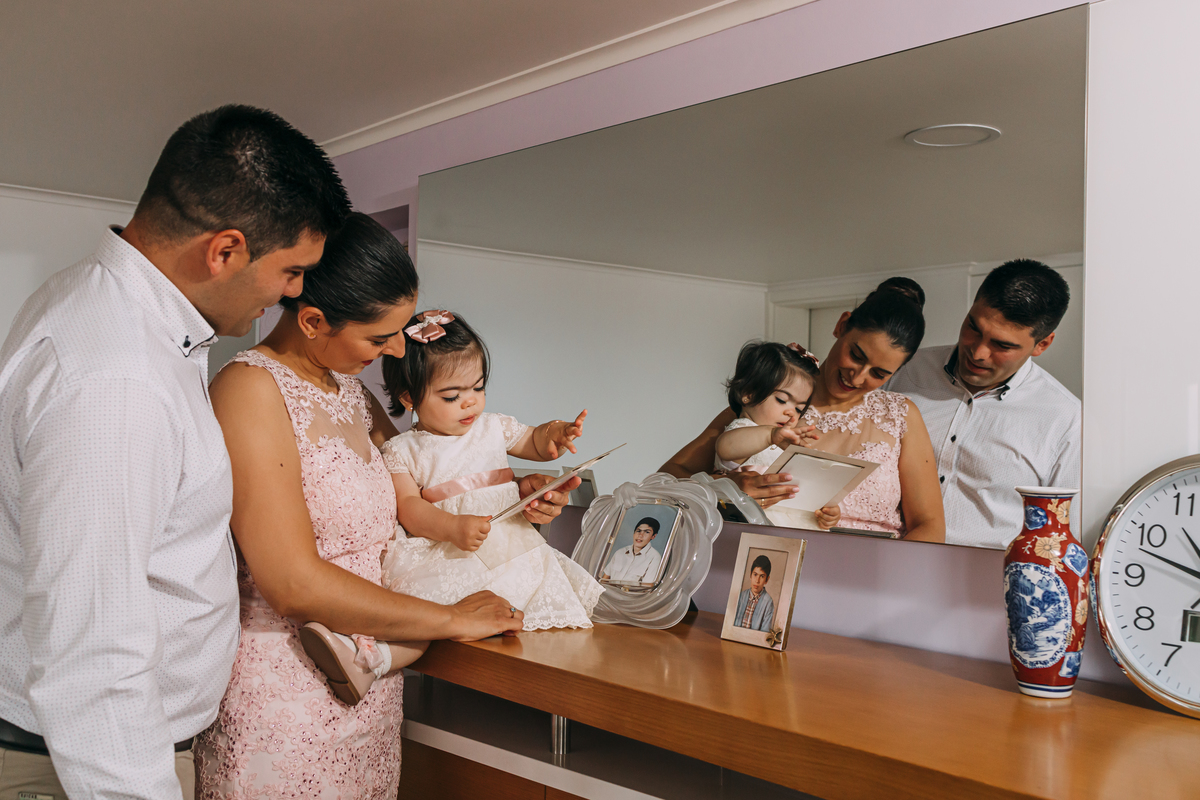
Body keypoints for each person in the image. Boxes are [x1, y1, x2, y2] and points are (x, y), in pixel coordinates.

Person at [0, 105, 347, 799]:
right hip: (89, 765)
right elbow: (92, 655)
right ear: (223, 250)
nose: (297, 292)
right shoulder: (114, 380)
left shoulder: (98, 305)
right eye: (292, 269)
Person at [194, 218, 574, 796]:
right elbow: (291, 582)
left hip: (372, 687)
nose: (398, 351)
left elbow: (415, 493)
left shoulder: (354, 392)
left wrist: (513, 495)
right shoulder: (248, 389)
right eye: (380, 339)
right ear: (314, 321)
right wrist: (452, 618)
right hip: (287, 691)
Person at [295, 309, 602, 706]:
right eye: (451, 396)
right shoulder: (402, 449)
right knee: (426, 616)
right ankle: (371, 659)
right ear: (410, 398)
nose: (469, 404)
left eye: (477, 388)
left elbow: (535, 442)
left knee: (536, 624)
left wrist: (556, 433)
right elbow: (407, 507)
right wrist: (450, 526)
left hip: (511, 549)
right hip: (451, 553)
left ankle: (547, 698)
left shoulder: (492, 427)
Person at [664, 278, 945, 542]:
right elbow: (667, 477)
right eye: (856, 355)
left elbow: (930, 526)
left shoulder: (900, 416)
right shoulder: (771, 402)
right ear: (842, 326)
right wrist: (725, 487)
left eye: (879, 373)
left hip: (875, 574)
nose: (858, 378)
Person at [885, 259, 1079, 548]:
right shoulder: (902, 370)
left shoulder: (1064, 419)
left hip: (981, 585)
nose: (978, 352)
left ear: (1042, 344)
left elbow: (1063, 535)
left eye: (1002, 345)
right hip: (877, 566)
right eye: (973, 328)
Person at [713, 340, 839, 529]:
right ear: (748, 393)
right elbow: (725, 447)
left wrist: (826, 510)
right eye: (782, 400)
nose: (791, 413)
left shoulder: (783, 441)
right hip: (755, 529)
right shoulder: (742, 429)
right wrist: (771, 435)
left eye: (799, 409)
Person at [602, 517, 665, 584]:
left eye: (647, 532)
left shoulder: (654, 558)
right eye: (638, 531)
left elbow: (646, 589)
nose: (640, 535)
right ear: (634, 533)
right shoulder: (620, 552)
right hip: (609, 593)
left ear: (653, 536)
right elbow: (604, 580)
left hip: (630, 594)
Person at [734, 555, 776, 632]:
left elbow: (764, 632)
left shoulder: (768, 602)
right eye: (755, 574)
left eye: (762, 576)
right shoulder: (741, 596)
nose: (757, 580)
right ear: (750, 575)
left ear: (767, 579)